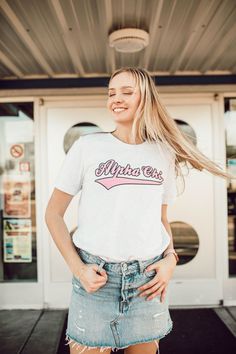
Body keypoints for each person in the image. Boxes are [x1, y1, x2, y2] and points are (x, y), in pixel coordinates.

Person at [45, 67, 234, 354]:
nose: (116, 99)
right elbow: (53, 214)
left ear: (145, 97)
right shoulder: (88, 147)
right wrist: (79, 269)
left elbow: (160, 219)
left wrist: (170, 259)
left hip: (147, 281)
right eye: (111, 92)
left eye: (126, 92)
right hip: (96, 281)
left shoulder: (163, 153)